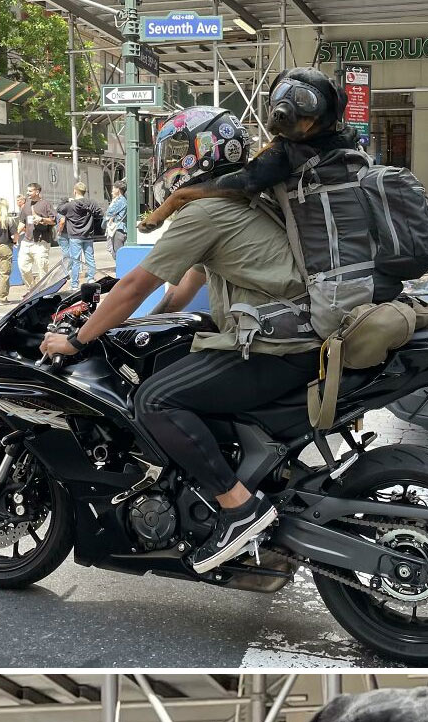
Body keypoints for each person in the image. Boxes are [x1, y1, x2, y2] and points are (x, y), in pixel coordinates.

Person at [41, 106, 325, 575]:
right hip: (301, 337)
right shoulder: (242, 202)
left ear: (201, 154)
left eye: (176, 153)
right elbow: (186, 281)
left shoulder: (207, 212)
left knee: (154, 401)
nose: (169, 165)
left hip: (280, 347)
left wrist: (80, 339)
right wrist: (150, 322)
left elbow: (135, 284)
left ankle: (239, 509)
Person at [57, 182, 104, 291]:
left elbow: (59, 209)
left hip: (75, 236)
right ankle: (91, 278)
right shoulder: (91, 203)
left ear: (75, 191)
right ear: (85, 191)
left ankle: (74, 284)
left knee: (75, 261)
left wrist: (66, 200)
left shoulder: (70, 205)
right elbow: (100, 213)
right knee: (90, 258)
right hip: (88, 235)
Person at [17, 182, 56, 288]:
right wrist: (16, 234)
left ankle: (43, 291)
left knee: (42, 269)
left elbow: (53, 221)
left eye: (30, 191)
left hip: (41, 242)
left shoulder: (46, 204)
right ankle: (32, 289)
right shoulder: (26, 206)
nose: (27, 193)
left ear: (37, 192)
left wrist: (42, 219)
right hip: (27, 241)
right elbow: (22, 222)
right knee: (23, 267)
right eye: (27, 190)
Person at [104, 179, 128, 258]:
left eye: (113, 189)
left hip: (118, 230)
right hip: (119, 229)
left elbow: (109, 212)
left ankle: (122, 270)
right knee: (115, 252)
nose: (112, 191)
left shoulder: (121, 201)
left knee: (118, 254)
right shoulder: (120, 200)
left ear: (118, 189)